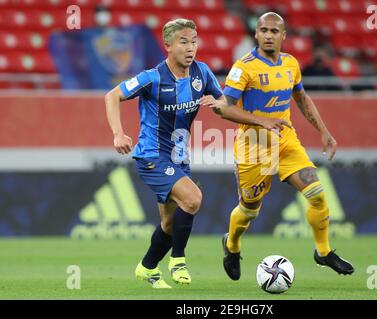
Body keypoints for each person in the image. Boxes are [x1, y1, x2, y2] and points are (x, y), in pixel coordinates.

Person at [104, 18, 288, 289]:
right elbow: (111, 96)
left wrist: (219, 103)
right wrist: (118, 134)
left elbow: (224, 103)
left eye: (194, 41)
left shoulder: (202, 74)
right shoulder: (151, 78)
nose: (191, 47)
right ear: (168, 45)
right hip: (151, 155)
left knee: (168, 223)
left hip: (179, 157)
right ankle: (178, 260)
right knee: (193, 199)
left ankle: (146, 268)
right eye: (183, 42)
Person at [221, 12, 354, 281]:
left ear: (284, 36)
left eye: (274, 31)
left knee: (316, 192)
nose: (268, 35)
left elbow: (302, 98)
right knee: (249, 210)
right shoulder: (244, 67)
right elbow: (224, 108)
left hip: (285, 141)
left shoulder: (291, 64)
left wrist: (324, 132)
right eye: (263, 30)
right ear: (256, 34)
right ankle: (232, 245)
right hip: (253, 146)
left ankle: (323, 252)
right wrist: (261, 121)